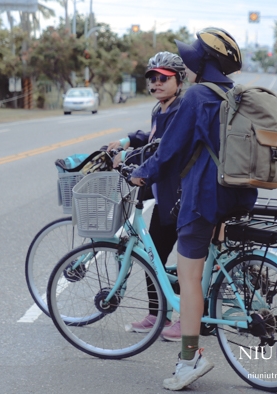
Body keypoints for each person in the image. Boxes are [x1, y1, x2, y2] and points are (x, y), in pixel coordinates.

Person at [129, 27, 256, 391]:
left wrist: (142, 174)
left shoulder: (198, 95)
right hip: (236, 195)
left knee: (188, 280)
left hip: (204, 198)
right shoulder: (231, 93)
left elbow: (169, 150)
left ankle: (190, 358)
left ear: (202, 62)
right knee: (201, 271)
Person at [105, 51, 187, 339]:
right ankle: (159, 314)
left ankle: (175, 317)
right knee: (156, 257)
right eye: (152, 78)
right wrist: (129, 140)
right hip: (165, 193)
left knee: (164, 258)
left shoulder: (180, 110)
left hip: (179, 197)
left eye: (163, 78)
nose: (156, 83)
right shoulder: (161, 109)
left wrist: (137, 166)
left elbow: (165, 152)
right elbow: (153, 138)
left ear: (179, 80)